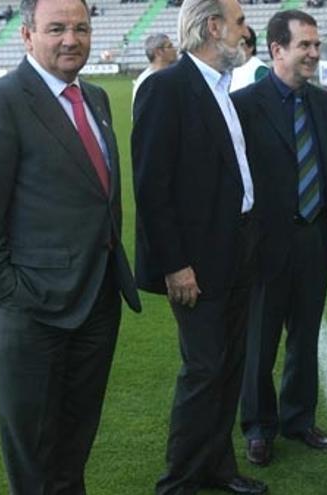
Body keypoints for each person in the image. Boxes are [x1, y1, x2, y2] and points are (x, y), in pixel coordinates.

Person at [0, 0, 142, 491]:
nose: (70, 39)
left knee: (74, 445)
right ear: (27, 35)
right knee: (34, 454)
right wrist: (12, 297)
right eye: (56, 28)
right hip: (34, 309)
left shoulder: (96, 98)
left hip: (98, 300)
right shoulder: (0, 102)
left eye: (80, 28)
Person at [131, 0, 266, 493]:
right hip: (197, 261)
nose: (245, 31)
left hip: (238, 247)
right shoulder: (167, 88)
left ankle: (217, 467)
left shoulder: (222, 88)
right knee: (205, 368)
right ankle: (180, 482)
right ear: (214, 28)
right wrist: (175, 265)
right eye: (239, 23)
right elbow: (151, 186)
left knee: (228, 365)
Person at [232, 9, 327, 467]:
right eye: (305, 45)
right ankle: (258, 425)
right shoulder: (245, 104)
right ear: (277, 50)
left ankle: (299, 418)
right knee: (259, 341)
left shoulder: (323, 101)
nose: (314, 53)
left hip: (313, 239)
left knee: (305, 337)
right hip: (265, 245)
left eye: (317, 45)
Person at [132, 33, 178, 107]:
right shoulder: (147, 81)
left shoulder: (171, 76)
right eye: (170, 46)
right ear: (158, 52)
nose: (175, 49)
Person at [229, 26, 268, 92]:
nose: (235, 48)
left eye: (241, 44)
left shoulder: (259, 69)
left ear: (251, 47)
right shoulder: (234, 69)